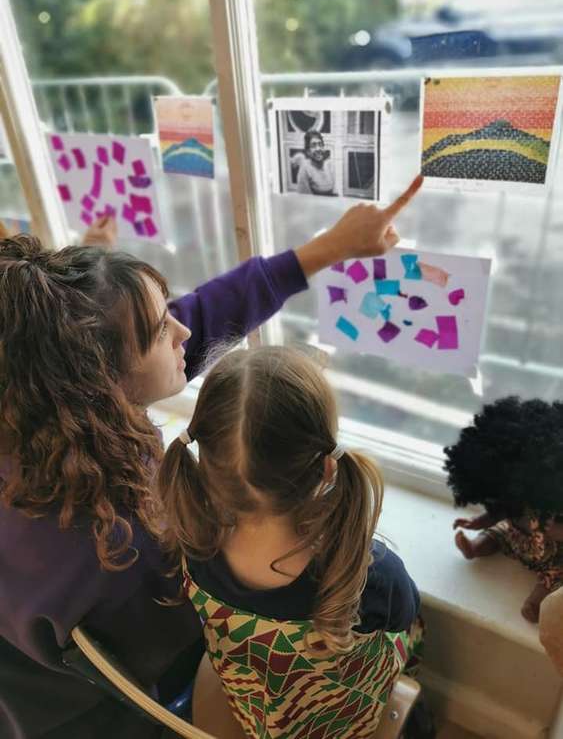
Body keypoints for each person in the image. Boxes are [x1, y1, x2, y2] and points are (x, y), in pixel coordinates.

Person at [0, 174, 423, 739]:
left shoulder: (37, 414)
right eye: (158, 331)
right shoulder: (123, 546)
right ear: (97, 380)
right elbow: (193, 645)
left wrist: (332, 246)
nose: (184, 327)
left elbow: (196, 316)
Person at [158, 346, 422, 738]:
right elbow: (405, 617)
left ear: (207, 469)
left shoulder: (193, 548)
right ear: (327, 467)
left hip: (253, 709)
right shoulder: (373, 574)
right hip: (344, 726)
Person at [444, 396, 563, 623]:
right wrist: (477, 522)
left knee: (555, 577)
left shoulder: (553, 506)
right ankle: (476, 548)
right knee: (496, 534)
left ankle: (536, 602)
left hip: (554, 555)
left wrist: (554, 530)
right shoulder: (512, 499)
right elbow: (496, 514)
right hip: (515, 539)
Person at [294, 130, 335, 196]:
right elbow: (304, 199)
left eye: (320, 144)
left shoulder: (329, 165)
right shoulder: (305, 169)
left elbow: (334, 193)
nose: (318, 149)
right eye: (313, 146)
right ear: (308, 151)